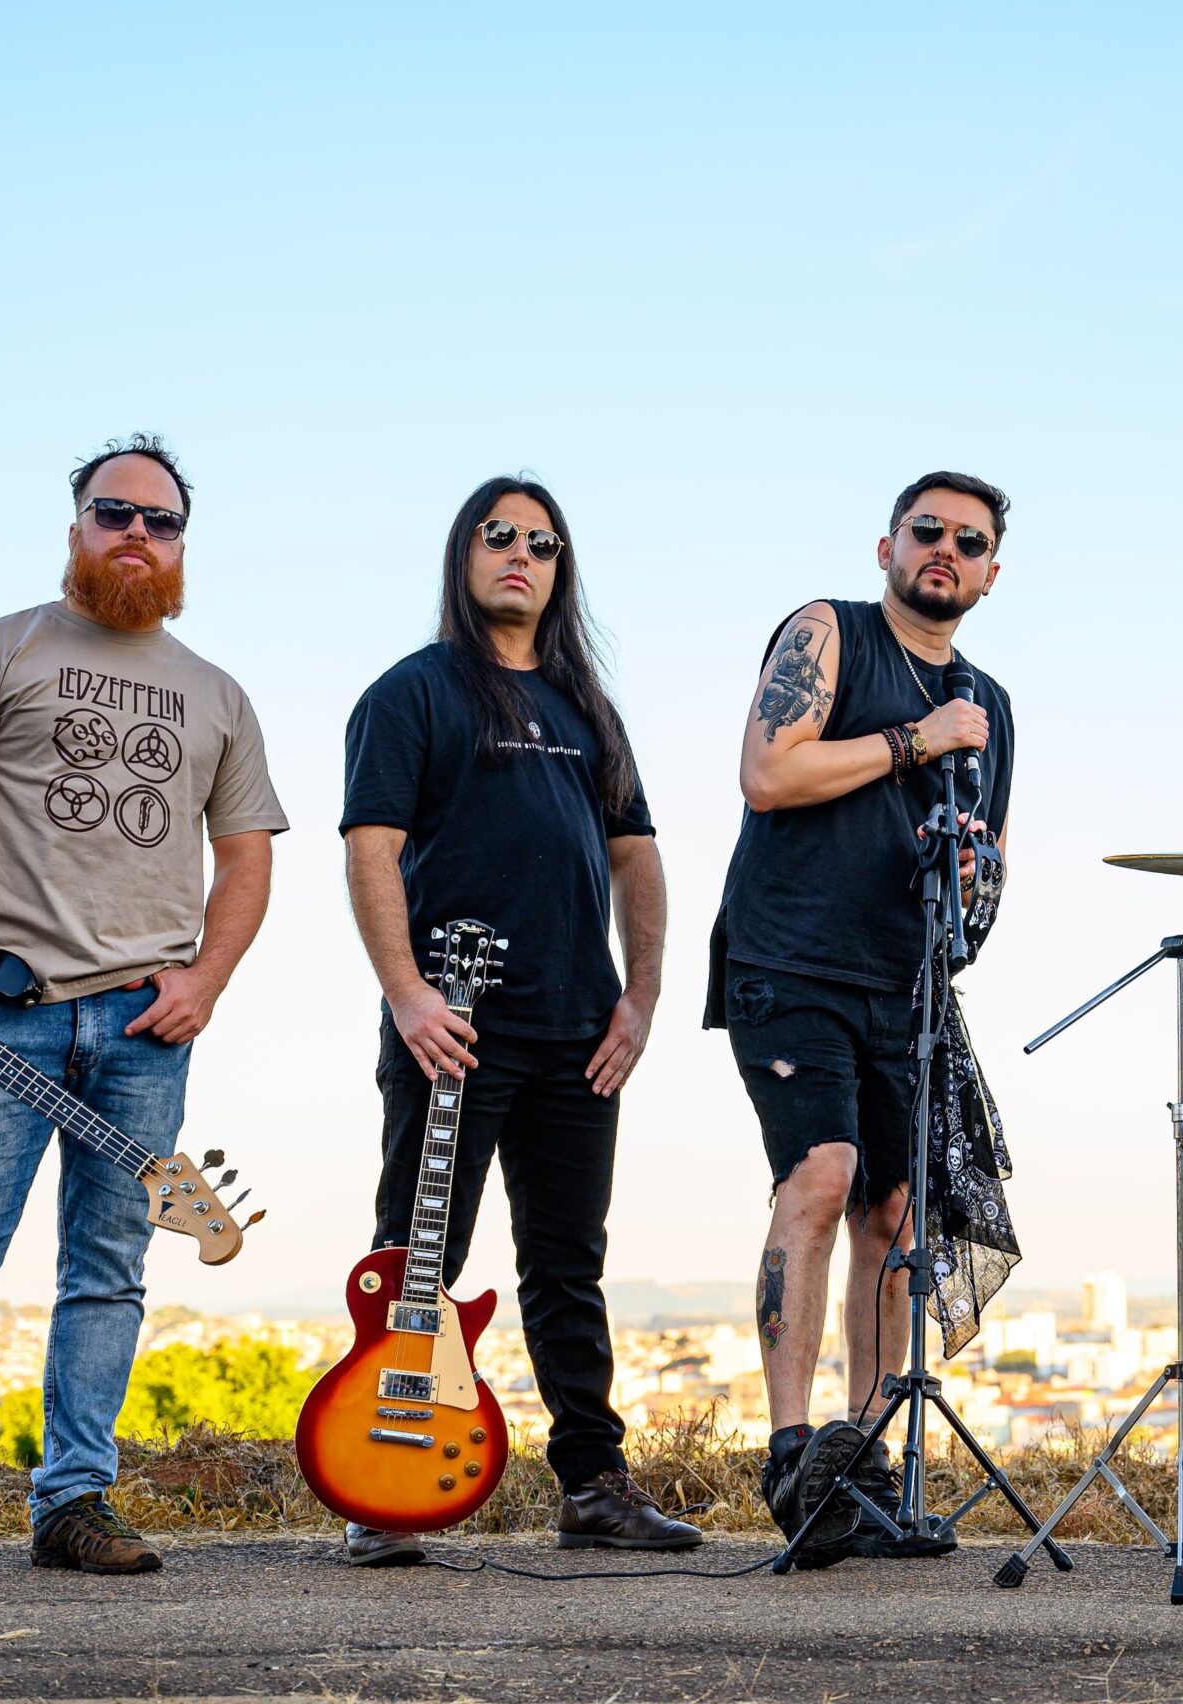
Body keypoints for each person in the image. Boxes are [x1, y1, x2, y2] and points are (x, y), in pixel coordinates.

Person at [0, 436, 286, 1581]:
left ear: (182, 544)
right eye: (114, 511)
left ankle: (75, 1501)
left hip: (143, 1028)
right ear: (76, 525)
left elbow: (246, 856)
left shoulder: (220, 696)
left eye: (161, 520)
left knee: (109, 1271)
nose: (138, 533)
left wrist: (206, 979)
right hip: (1, 1012)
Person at [337, 476, 697, 1564]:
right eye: (500, 536)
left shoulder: (590, 708)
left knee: (567, 1265)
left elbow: (637, 856)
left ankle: (592, 1486)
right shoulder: (411, 693)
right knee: (418, 1258)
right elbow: (370, 849)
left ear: (559, 571)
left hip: (579, 1034)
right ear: (465, 553)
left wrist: (642, 995)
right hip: (453, 1026)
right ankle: (379, 1492)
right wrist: (407, 993)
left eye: (543, 544)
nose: (521, 556)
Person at [708, 472, 1017, 1566]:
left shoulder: (989, 702)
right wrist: (913, 741)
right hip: (790, 958)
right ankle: (792, 1456)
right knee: (823, 1174)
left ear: (990, 573)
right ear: (888, 546)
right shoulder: (828, 632)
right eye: (927, 531)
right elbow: (767, 773)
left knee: (892, 1209)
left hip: (908, 982)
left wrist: (977, 876)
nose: (945, 551)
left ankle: (863, 1463)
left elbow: (987, 853)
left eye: (969, 542)